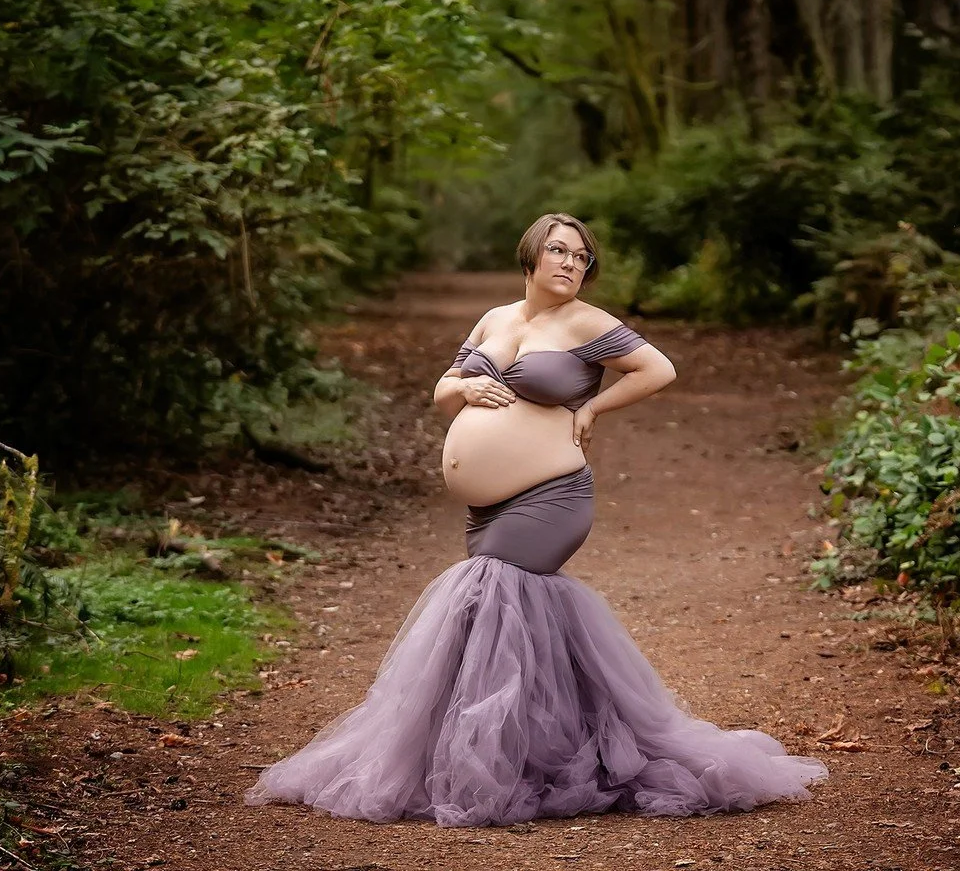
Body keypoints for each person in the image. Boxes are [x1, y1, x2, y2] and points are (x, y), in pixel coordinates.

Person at [245, 212, 828, 826]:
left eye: (581, 257)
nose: (571, 264)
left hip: (553, 494)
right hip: (488, 504)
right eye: (559, 251)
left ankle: (502, 765)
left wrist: (594, 407)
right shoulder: (496, 319)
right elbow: (444, 388)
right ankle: (539, 753)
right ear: (531, 258)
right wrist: (466, 391)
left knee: (489, 593)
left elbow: (660, 369)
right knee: (498, 618)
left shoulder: (589, 323)